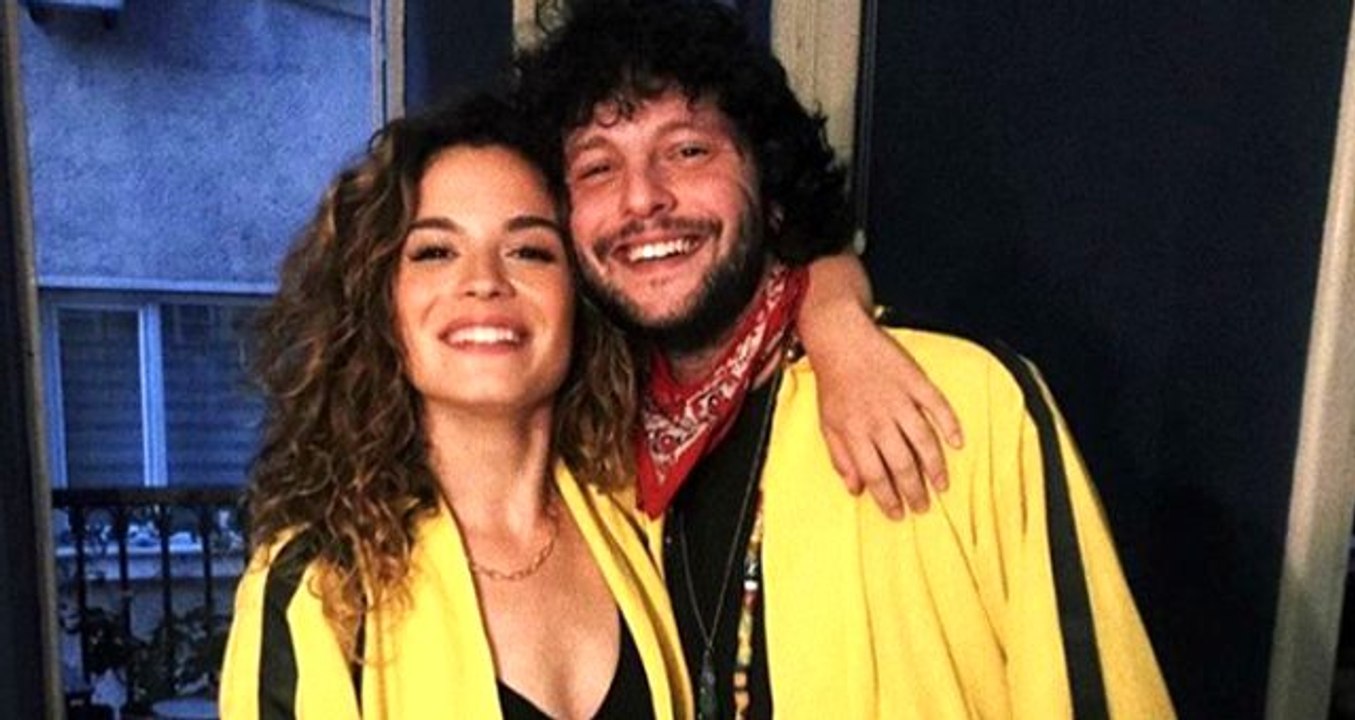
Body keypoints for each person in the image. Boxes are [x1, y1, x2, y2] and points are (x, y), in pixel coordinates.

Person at [515, 0, 1176, 717]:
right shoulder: (597, 466)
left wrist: (832, 309)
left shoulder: (957, 403)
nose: (642, 197)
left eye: (688, 151)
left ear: (770, 190)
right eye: (597, 168)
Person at [217, 88, 961, 717]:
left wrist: (836, 315)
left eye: (530, 250)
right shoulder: (318, 586)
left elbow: (773, 282)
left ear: (580, 294)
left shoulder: (644, 514)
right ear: (378, 302)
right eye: (435, 251)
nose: (484, 282)